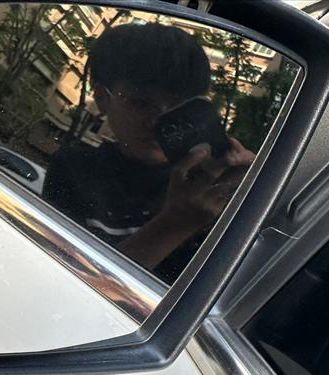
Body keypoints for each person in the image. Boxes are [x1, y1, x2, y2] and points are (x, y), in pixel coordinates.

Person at [42, 22, 255, 283]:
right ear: (102, 99)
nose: (156, 121)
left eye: (177, 107)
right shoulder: (73, 169)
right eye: (140, 103)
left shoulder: (212, 183)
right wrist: (176, 222)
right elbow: (66, 282)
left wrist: (259, 196)